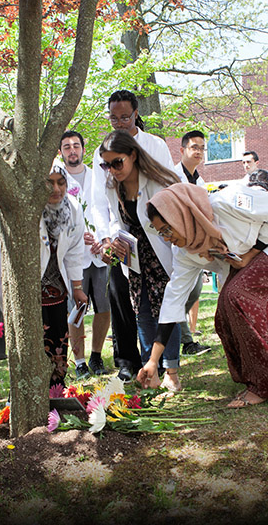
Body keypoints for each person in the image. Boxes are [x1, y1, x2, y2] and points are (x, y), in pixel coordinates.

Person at [138, 173, 268, 407]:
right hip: (253, 256)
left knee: (236, 297)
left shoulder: (228, 200)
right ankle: (256, 379)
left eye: (167, 229)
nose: (166, 238)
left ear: (181, 215)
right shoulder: (184, 252)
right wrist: (153, 361)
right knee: (223, 314)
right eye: (160, 232)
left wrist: (251, 255)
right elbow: (173, 300)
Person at [90, 90, 178, 382]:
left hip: (160, 240)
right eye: (113, 117)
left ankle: (170, 366)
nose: (119, 122)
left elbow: (169, 195)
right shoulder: (104, 159)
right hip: (126, 243)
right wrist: (108, 238)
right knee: (137, 304)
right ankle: (143, 364)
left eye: (124, 117)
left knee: (164, 303)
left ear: (136, 114)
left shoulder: (155, 147)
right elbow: (101, 206)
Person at [58, 130, 111, 377]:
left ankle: (97, 356)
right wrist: (78, 236)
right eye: (67, 147)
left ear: (82, 148)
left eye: (76, 145)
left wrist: (102, 238)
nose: (72, 150)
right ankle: (79, 362)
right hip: (73, 256)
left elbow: (106, 209)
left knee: (103, 306)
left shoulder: (96, 176)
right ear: (61, 152)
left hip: (100, 253)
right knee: (77, 309)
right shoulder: (58, 181)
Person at [41, 166, 88, 385]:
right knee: (37, 337)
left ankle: (57, 388)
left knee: (59, 335)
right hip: (32, 283)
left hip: (57, 284)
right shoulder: (30, 209)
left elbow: (75, 250)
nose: (56, 188)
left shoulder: (74, 208)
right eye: (49, 183)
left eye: (61, 182)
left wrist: (77, 286)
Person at [175, 130, 210, 356]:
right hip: (177, 241)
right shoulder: (173, 176)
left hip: (196, 243)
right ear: (182, 150)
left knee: (195, 290)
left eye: (201, 148)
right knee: (181, 292)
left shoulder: (200, 180)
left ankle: (175, 331)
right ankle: (186, 341)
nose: (198, 152)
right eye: (193, 147)